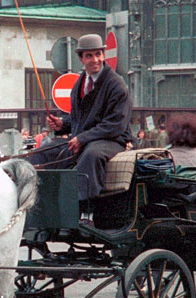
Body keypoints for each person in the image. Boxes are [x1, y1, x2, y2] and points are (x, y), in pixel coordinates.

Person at [30, 33, 132, 225]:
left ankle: (86, 212)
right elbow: (79, 118)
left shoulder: (116, 85)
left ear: (103, 55)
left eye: (98, 54)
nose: (95, 60)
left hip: (113, 140)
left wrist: (83, 138)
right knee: (44, 151)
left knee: (91, 155)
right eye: (89, 56)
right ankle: (40, 205)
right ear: (81, 59)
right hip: (83, 138)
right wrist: (62, 124)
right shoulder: (80, 83)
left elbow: (115, 124)